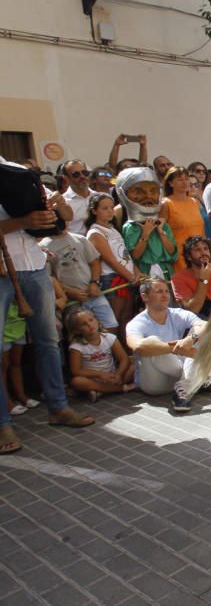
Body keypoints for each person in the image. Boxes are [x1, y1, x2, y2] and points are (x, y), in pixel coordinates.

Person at [0, 156, 94, 454]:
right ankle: (2, 424)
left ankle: (58, 407)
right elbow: (20, 223)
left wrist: (55, 204)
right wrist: (23, 223)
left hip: (36, 267)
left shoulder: (16, 173)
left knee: (48, 342)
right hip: (3, 271)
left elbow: (65, 212)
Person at [125, 278, 211, 411]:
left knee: (198, 333)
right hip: (154, 383)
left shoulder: (176, 313)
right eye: (159, 291)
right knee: (151, 342)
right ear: (145, 297)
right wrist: (178, 349)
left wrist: (191, 339)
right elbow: (137, 346)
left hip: (177, 373)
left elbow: (205, 325)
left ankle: (184, 388)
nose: (165, 295)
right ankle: (196, 382)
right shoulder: (137, 323)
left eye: (166, 291)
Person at [86, 192, 140, 340]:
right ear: (94, 210)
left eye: (111, 207)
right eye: (105, 208)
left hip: (126, 277)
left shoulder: (113, 228)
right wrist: (129, 276)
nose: (110, 211)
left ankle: (127, 352)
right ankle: (113, 354)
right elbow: (110, 260)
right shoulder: (95, 232)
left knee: (126, 317)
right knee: (113, 320)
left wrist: (136, 272)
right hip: (113, 279)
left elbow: (125, 255)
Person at [119, 167, 178, 282]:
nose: (148, 196)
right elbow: (135, 256)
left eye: (153, 191)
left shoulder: (162, 224)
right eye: (139, 191)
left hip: (166, 273)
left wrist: (161, 232)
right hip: (145, 274)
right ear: (123, 194)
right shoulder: (131, 227)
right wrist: (145, 234)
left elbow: (172, 253)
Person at [65, 306, 135, 401]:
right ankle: (121, 388)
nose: (90, 325)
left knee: (134, 364)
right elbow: (76, 371)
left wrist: (118, 374)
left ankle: (100, 391)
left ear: (97, 320)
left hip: (113, 376)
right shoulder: (77, 347)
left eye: (91, 320)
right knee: (76, 381)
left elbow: (124, 358)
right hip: (93, 379)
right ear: (77, 330)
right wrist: (99, 374)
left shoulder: (109, 337)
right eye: (84, 324)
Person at [171, 236, 211, 319]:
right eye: (197, 250)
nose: (203, 253)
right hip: (198, 321)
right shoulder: (178, 278)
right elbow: (192, 310)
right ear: (188, 257)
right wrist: (204, 280)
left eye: (206, 249)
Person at [159, 167, 204, 271]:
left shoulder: (194, 201)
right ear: (170, 183)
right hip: (180, 256)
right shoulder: (166, 204)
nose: (185, 182)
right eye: (180, 179)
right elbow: (161, 230)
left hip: (199, 255)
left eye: (186, 179)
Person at [61, 159, 93, 236]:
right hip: (78, 245)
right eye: (76, 174)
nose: (82, 176)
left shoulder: (100, 196)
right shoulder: (63, 203)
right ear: (66, 179)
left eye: (85, 173)